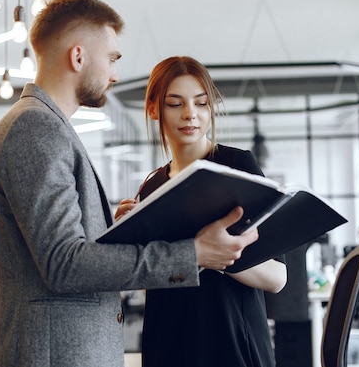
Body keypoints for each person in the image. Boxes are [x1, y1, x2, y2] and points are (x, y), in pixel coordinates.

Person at [0, 0, 259, 367]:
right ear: (78, 57)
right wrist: (194, 254)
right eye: (111, 58)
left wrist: (113, 229)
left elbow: (57, 250)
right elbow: (63, 264)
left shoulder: (45, 127)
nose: (114, 74)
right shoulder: (36, 129)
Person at [114, 56, 287, 367]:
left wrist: (214, 256)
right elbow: (148, 278)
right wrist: (127, 237)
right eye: (175, 103)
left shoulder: (239, 167)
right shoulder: (151, 186)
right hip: (166, 345)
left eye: (201, 103)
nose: (190, 114)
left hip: (231, 345)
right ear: (154, 109)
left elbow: (277, 278)